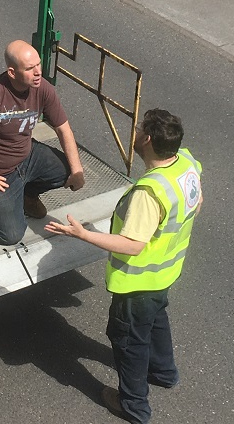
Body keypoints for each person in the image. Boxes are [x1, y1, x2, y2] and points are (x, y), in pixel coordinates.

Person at [45, 108, 202, 424]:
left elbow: (133, 245)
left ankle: (133, 405)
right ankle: (164, 372)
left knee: (130, 341)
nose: (135, 132)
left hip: (137, 284)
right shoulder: (185, 163)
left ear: (146, 140)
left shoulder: (149, 192)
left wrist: (83, 234)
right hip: (165, 272)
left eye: (139, 128)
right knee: (157, 321)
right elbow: (197, 201)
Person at [0, 39, 84, 245]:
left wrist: (77, 171)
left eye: (38, 65)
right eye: (29, 68)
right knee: (10, 236)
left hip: (27, 155)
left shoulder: (43, 88)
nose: (38, 72)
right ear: (12, 72)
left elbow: (63, 129)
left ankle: (27, 195)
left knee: (68, 169)